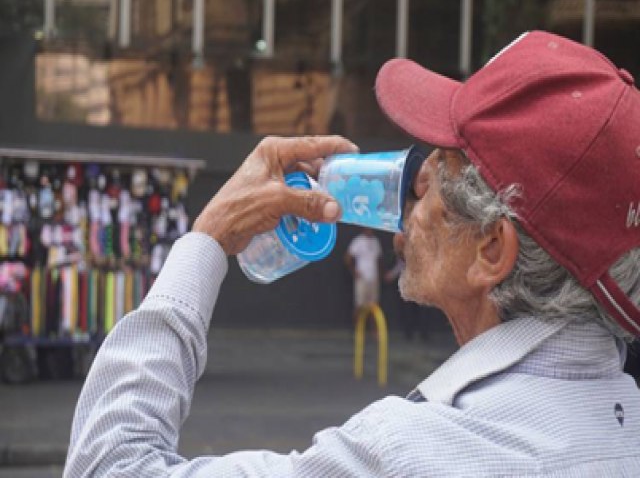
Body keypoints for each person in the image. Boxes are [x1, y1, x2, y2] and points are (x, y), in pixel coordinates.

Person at [63, 30, 640, 477]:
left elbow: (109, 464)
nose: (415, 182)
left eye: (440, 166)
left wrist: (209, 237)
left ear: (492, 250)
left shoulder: (412, 452)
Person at [344, 227, 382, 321]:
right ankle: (356, 332)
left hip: (373, 278)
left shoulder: (376, 241)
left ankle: (375, 334)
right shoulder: (358, 241)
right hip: (362, 278)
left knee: (374, 306)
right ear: (364, 228)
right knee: (359, 305)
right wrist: (354, 271)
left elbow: (379, 259)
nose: (370, 230)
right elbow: (347, 257)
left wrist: (379, 275)